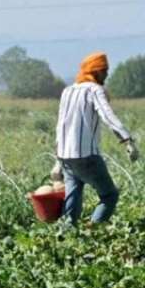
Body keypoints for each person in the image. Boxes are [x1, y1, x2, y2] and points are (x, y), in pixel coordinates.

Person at [52, 52, 139, 226]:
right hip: (86, 156)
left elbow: (61, 125)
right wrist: (128, 141)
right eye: (104, 70)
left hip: (66, 157)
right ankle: (93, 231)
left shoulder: (68, 91)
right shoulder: (94, 90)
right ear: (95, 72)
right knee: (109, 195)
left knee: (73, 196)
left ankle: (66, 235)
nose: (106, 74)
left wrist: (57, 161)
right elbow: (108, 116)